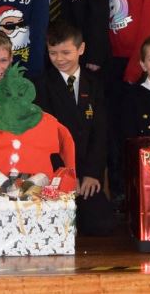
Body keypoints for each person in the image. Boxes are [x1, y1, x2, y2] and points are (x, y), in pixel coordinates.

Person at [33, 23, 115, 236]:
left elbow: (100, 132)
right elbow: (44, 138)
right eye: (53, 53)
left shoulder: (95, 84)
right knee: (55, 228)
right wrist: (65, 175)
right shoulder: (40, 86)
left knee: (102, 224)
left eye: (66, 52)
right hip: (56, 174)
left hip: (87, 173)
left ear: (81, 49)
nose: (59, 59)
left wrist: (92, 174)